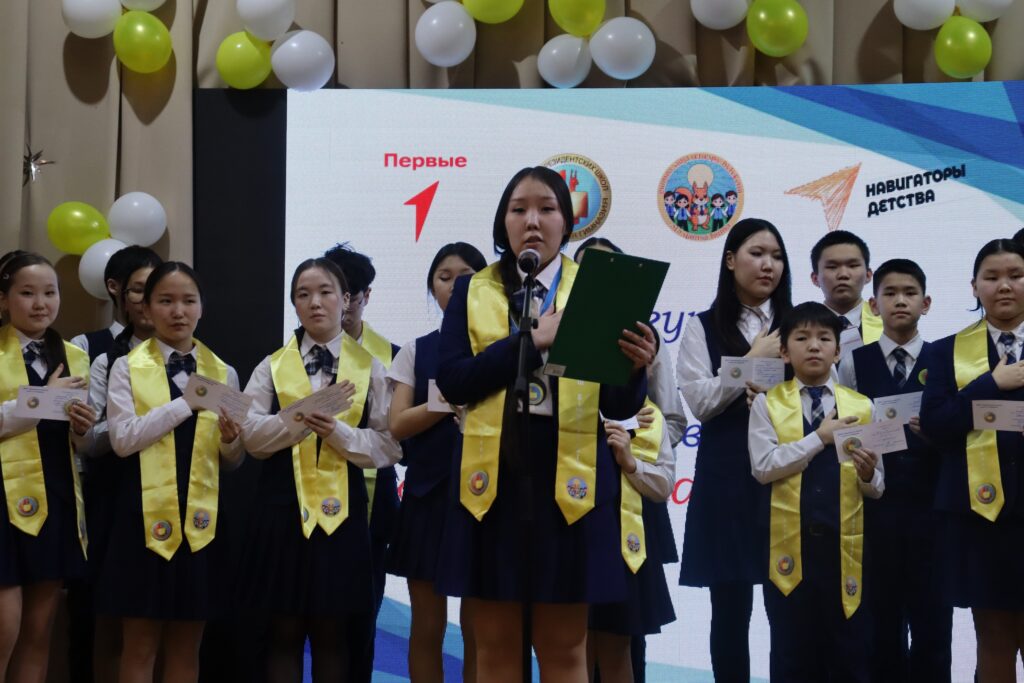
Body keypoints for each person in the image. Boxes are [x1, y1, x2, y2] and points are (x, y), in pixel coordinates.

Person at [435, 166, 656, 683]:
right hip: (492, 480)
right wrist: (532, 339)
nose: (532, 221)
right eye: (519, 209)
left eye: (547, 208)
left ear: (566, 222)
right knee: (494, 646)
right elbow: (454, 381)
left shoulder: (598, 288)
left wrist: (636, 367)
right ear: (503, 222)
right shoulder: (472, 290)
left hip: (572, 481)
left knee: (564, 647)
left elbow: (618, 403)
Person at [240, 257, 401, 683]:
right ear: (293, 304)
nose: (315, 302)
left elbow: (389, 445)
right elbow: (250, 438)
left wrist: (339, 433)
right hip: (280, 511)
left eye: (325, 292)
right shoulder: (271, 365)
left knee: (334, 635)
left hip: (343, 515)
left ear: (346, 299)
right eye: (303, 294)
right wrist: (299, 417)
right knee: (283, 632)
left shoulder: (371, 367)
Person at [99, 262, 244, 683]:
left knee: (187, 646)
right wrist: (187, 402)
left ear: (201, 307)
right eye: (165, 301)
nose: (178, 311)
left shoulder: (223, 372)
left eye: (188, 301)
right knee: (140, 645)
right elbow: (123, 440)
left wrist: (231, 441)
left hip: (202, 522)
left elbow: (232, 461)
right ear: (146, 308)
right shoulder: (126, 366)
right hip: (142, 519)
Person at [676, 218, 792, 683]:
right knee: (729, 608)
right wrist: (750, 363)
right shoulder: (702, 326)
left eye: (777, 256)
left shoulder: (799, 324)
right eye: (757, 253)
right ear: (730, 260)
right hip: (726, 477)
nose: (768, 265)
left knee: (790, 607)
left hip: (790, 475)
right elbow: (700, 402)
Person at [749, 302, 884, 683]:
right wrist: (818, 439)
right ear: (784, 352)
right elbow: (763, 467)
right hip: (788, 546)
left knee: (849, 652)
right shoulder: (767, 403)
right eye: (802, 338)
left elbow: (877, 487)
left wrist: (869, 474)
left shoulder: (862, 406)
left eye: (824, 338)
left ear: (838, 352)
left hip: (846, 549)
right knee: (792, 653)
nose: (814, 346)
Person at [574, 236, 684, 683]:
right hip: (569, 494)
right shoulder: (552, 329)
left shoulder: (645, 339)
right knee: (571, 638)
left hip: (631, 497)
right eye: (585, 268)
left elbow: (670, 420)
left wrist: (634, 449)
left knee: (625, 633)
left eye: (608, 268)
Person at [837, 259, 952, 683]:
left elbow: (961, 433)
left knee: (933, 628)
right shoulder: (853, 362)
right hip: (874, 513)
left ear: (926, 303)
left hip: (933, 510)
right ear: (873, 304)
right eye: (889, 293)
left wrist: (937, 433)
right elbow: (844, 429)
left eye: (909, 293)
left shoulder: (947, 358)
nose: (900, 300)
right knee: (879, 628)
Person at [920, 238, 1024, 683]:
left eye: (1016, 276)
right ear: (974, 286)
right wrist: (991, 384)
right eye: (992, 277)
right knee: (993, 638)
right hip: (981, 518)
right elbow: (936, 424)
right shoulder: (946, 351)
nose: (1005, 286)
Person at [387, 242, 487, 683]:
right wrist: (449, 400)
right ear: (432, 288)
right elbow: (397, 425)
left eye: (466, 276)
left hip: (486, 500)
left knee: (480, 631)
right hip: (427, 500)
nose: (455, 285)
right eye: (445, 277)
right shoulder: (415, 350)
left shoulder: (503, 349)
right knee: (427, 626)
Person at [0, 253, 97, 682]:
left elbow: (83, 444)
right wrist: (44, 397)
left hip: (57, 492)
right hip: (3, 494)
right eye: (27, 293)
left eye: (49, 292)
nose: (41, 303)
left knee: (40, 633)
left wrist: (83, 429)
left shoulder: (75, 355)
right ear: (3, 300)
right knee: (4, 629)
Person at [81, 251, 162, 683]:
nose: (149, 303)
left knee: (167, 622)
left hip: (177, 500)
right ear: (119, 293)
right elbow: (92, 441)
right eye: (139, 292)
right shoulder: (101, 354)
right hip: (115, 497)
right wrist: (128, 425)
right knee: (111, 617)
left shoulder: (199, 362)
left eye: (160, 293)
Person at [323, 242, 401, 682]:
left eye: (354, 292)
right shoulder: (293, 356)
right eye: (338, 290)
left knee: (364, 616)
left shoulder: (391, 355)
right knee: (318, 620)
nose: (346, 302)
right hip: (312, 500)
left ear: (366, 295)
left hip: (372, 504)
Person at [70, 246, 160, 363]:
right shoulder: (84, 345)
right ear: (113, 286)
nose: (149, 299)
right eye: (138, 290)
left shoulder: (174, 347)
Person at [810, 230, 881, 356]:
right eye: (832, 267)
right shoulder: (798, 327)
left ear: (868, 275)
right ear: (815, 279)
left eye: (853, 265)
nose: (843, 274)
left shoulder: (888, 324)